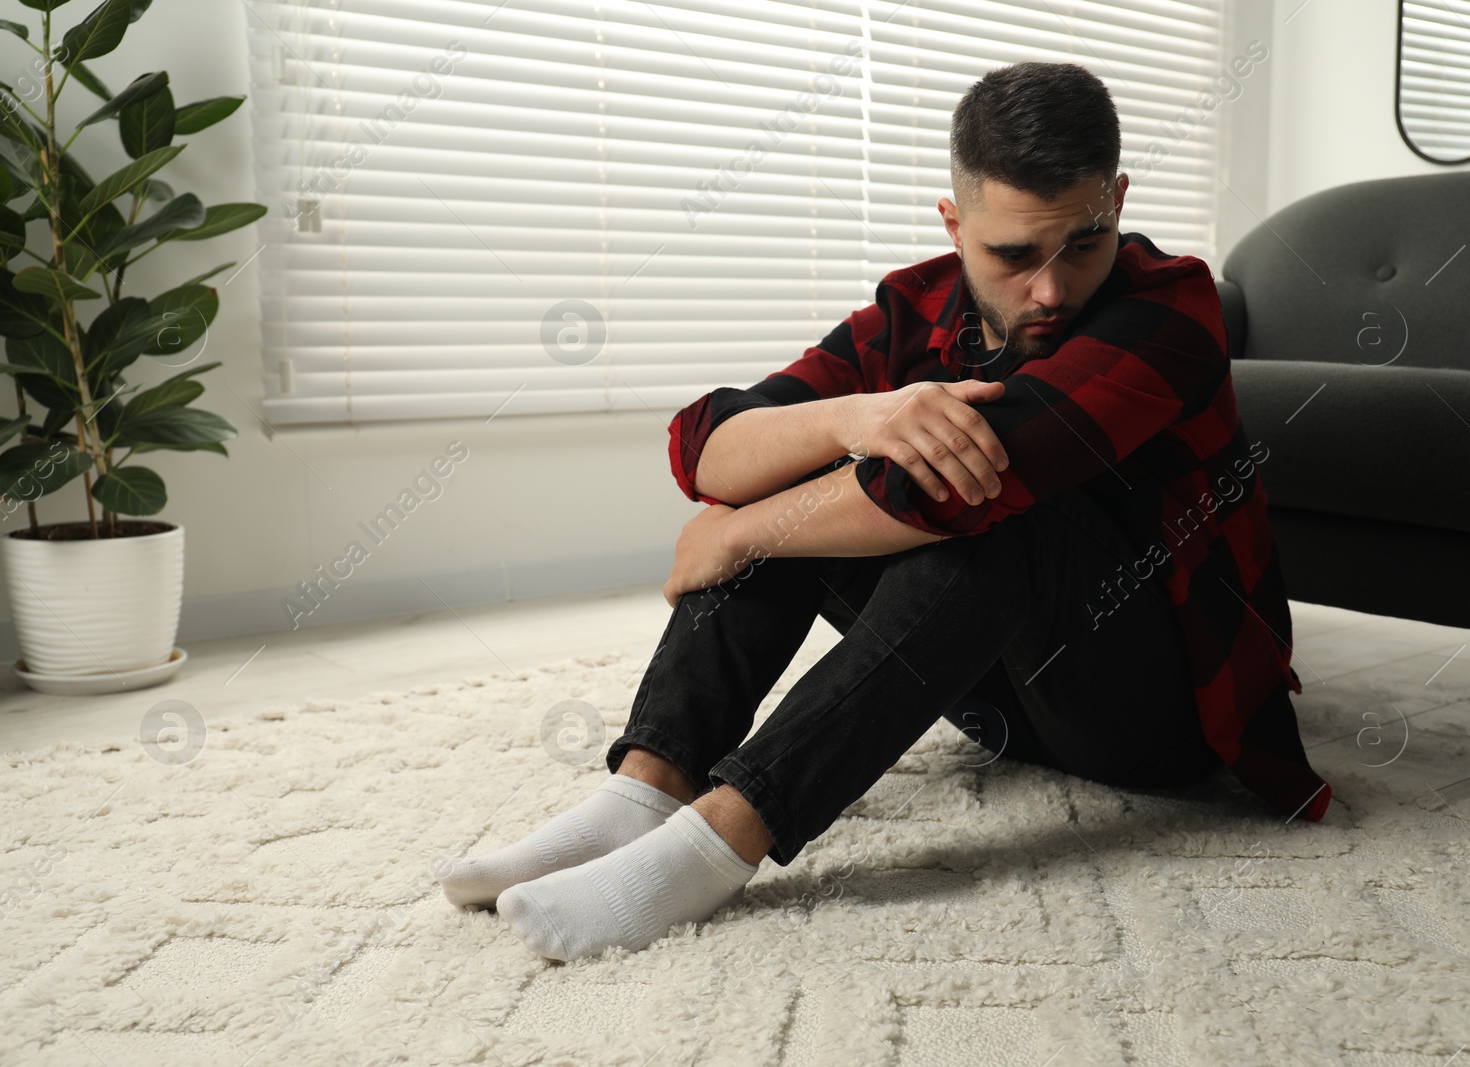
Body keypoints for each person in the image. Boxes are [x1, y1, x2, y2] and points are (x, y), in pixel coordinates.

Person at [438, 60, 1331, 962]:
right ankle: (640, 794)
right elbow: (709, 442)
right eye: (1014, 256)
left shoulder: (1174, 310)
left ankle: (718, 841)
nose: (1052, 291)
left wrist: (739, 529)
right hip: (998, 703)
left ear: (1120, 199)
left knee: (985, 504)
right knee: (808, 470)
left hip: (1160, 714)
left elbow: (946, 490)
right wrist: (858, 415)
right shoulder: (913, 308)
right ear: (955, 225)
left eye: (1084, 244)